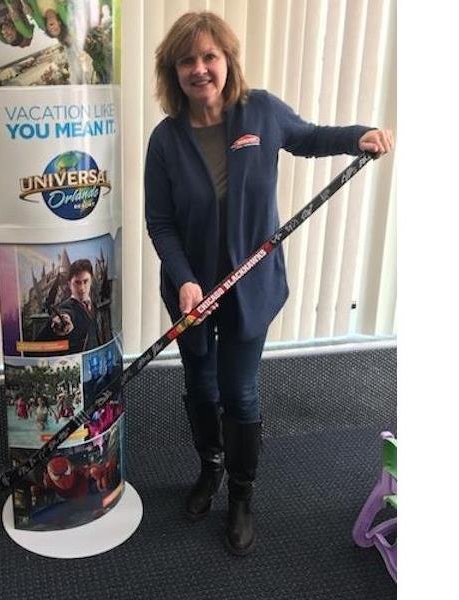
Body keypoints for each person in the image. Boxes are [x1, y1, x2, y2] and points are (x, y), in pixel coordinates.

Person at [144, 11, 393, 556]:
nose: (200, 68)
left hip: (251, 286)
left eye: (210, 56)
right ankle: (208, 470)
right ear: (173, 72)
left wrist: (358, 136)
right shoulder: (165, 140)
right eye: (187, 60)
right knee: (201, 386)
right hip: (190, 293)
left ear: (227, 60)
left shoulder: (260, 110)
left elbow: (308, 137)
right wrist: (185, 280)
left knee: (239, 390)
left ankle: (240, 495)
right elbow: (160, 221)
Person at [37, 259, 102, 354]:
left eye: (85, 281)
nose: (82, 288)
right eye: (77, 282)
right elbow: (66, 312)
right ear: (69, 284)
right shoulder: (67, 307)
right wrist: (62, 321)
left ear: (91, 280)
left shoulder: (94, 304)